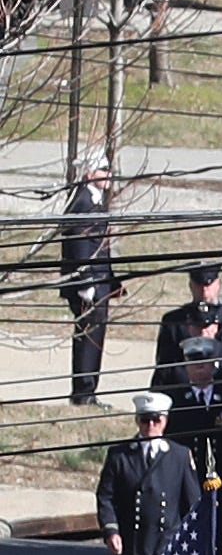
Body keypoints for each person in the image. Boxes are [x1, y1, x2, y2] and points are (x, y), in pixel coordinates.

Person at [95, 391, 201, 555]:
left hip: (168, 547)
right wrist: (111, 530)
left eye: (156, 420)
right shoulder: (120, 455)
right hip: (134, 545)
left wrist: (191, 542)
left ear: (165, 421)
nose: (150, 426)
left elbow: (192, 503)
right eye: (145, 420)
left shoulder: (179, 455)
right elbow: (106, 496)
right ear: (137, 421)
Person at [166, 336, 222, 555]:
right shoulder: (175, 403)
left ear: (214, 364)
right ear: (185, 365)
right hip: (187, 486)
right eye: (193, 361)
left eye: (205, 360)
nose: (199, 366)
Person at [152, 263, 222, 403]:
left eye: (208, 285)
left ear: (218, 284)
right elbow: (164, 370)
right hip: (184, 403)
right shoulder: (174, 322)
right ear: (190, 286)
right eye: (198, 285)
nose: (204, 290)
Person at [58, 161, 119, 408]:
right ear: (89, 172)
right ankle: (83, 392)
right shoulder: (83, 202)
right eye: (103, 170)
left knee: (95, 337)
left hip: (100, 283)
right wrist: (86, 284)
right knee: (88, 338)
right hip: (89, 286)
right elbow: (79, 244)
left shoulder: (93, 199)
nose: (109, 175)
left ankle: (89, 389)